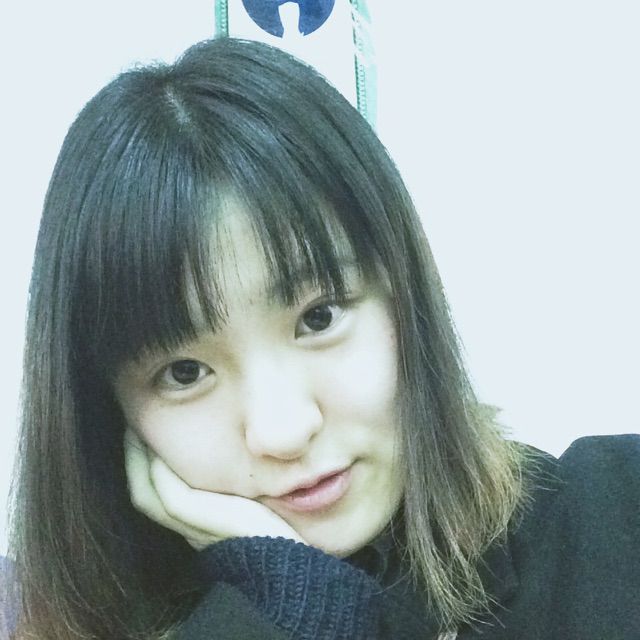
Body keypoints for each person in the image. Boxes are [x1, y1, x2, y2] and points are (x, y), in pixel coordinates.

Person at [3, 37, 639, 640]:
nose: (283, 431)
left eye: (319, 317)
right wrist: (283, 605)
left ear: (404, 296)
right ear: (107, 413)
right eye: (184, 372)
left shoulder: (615, 523)